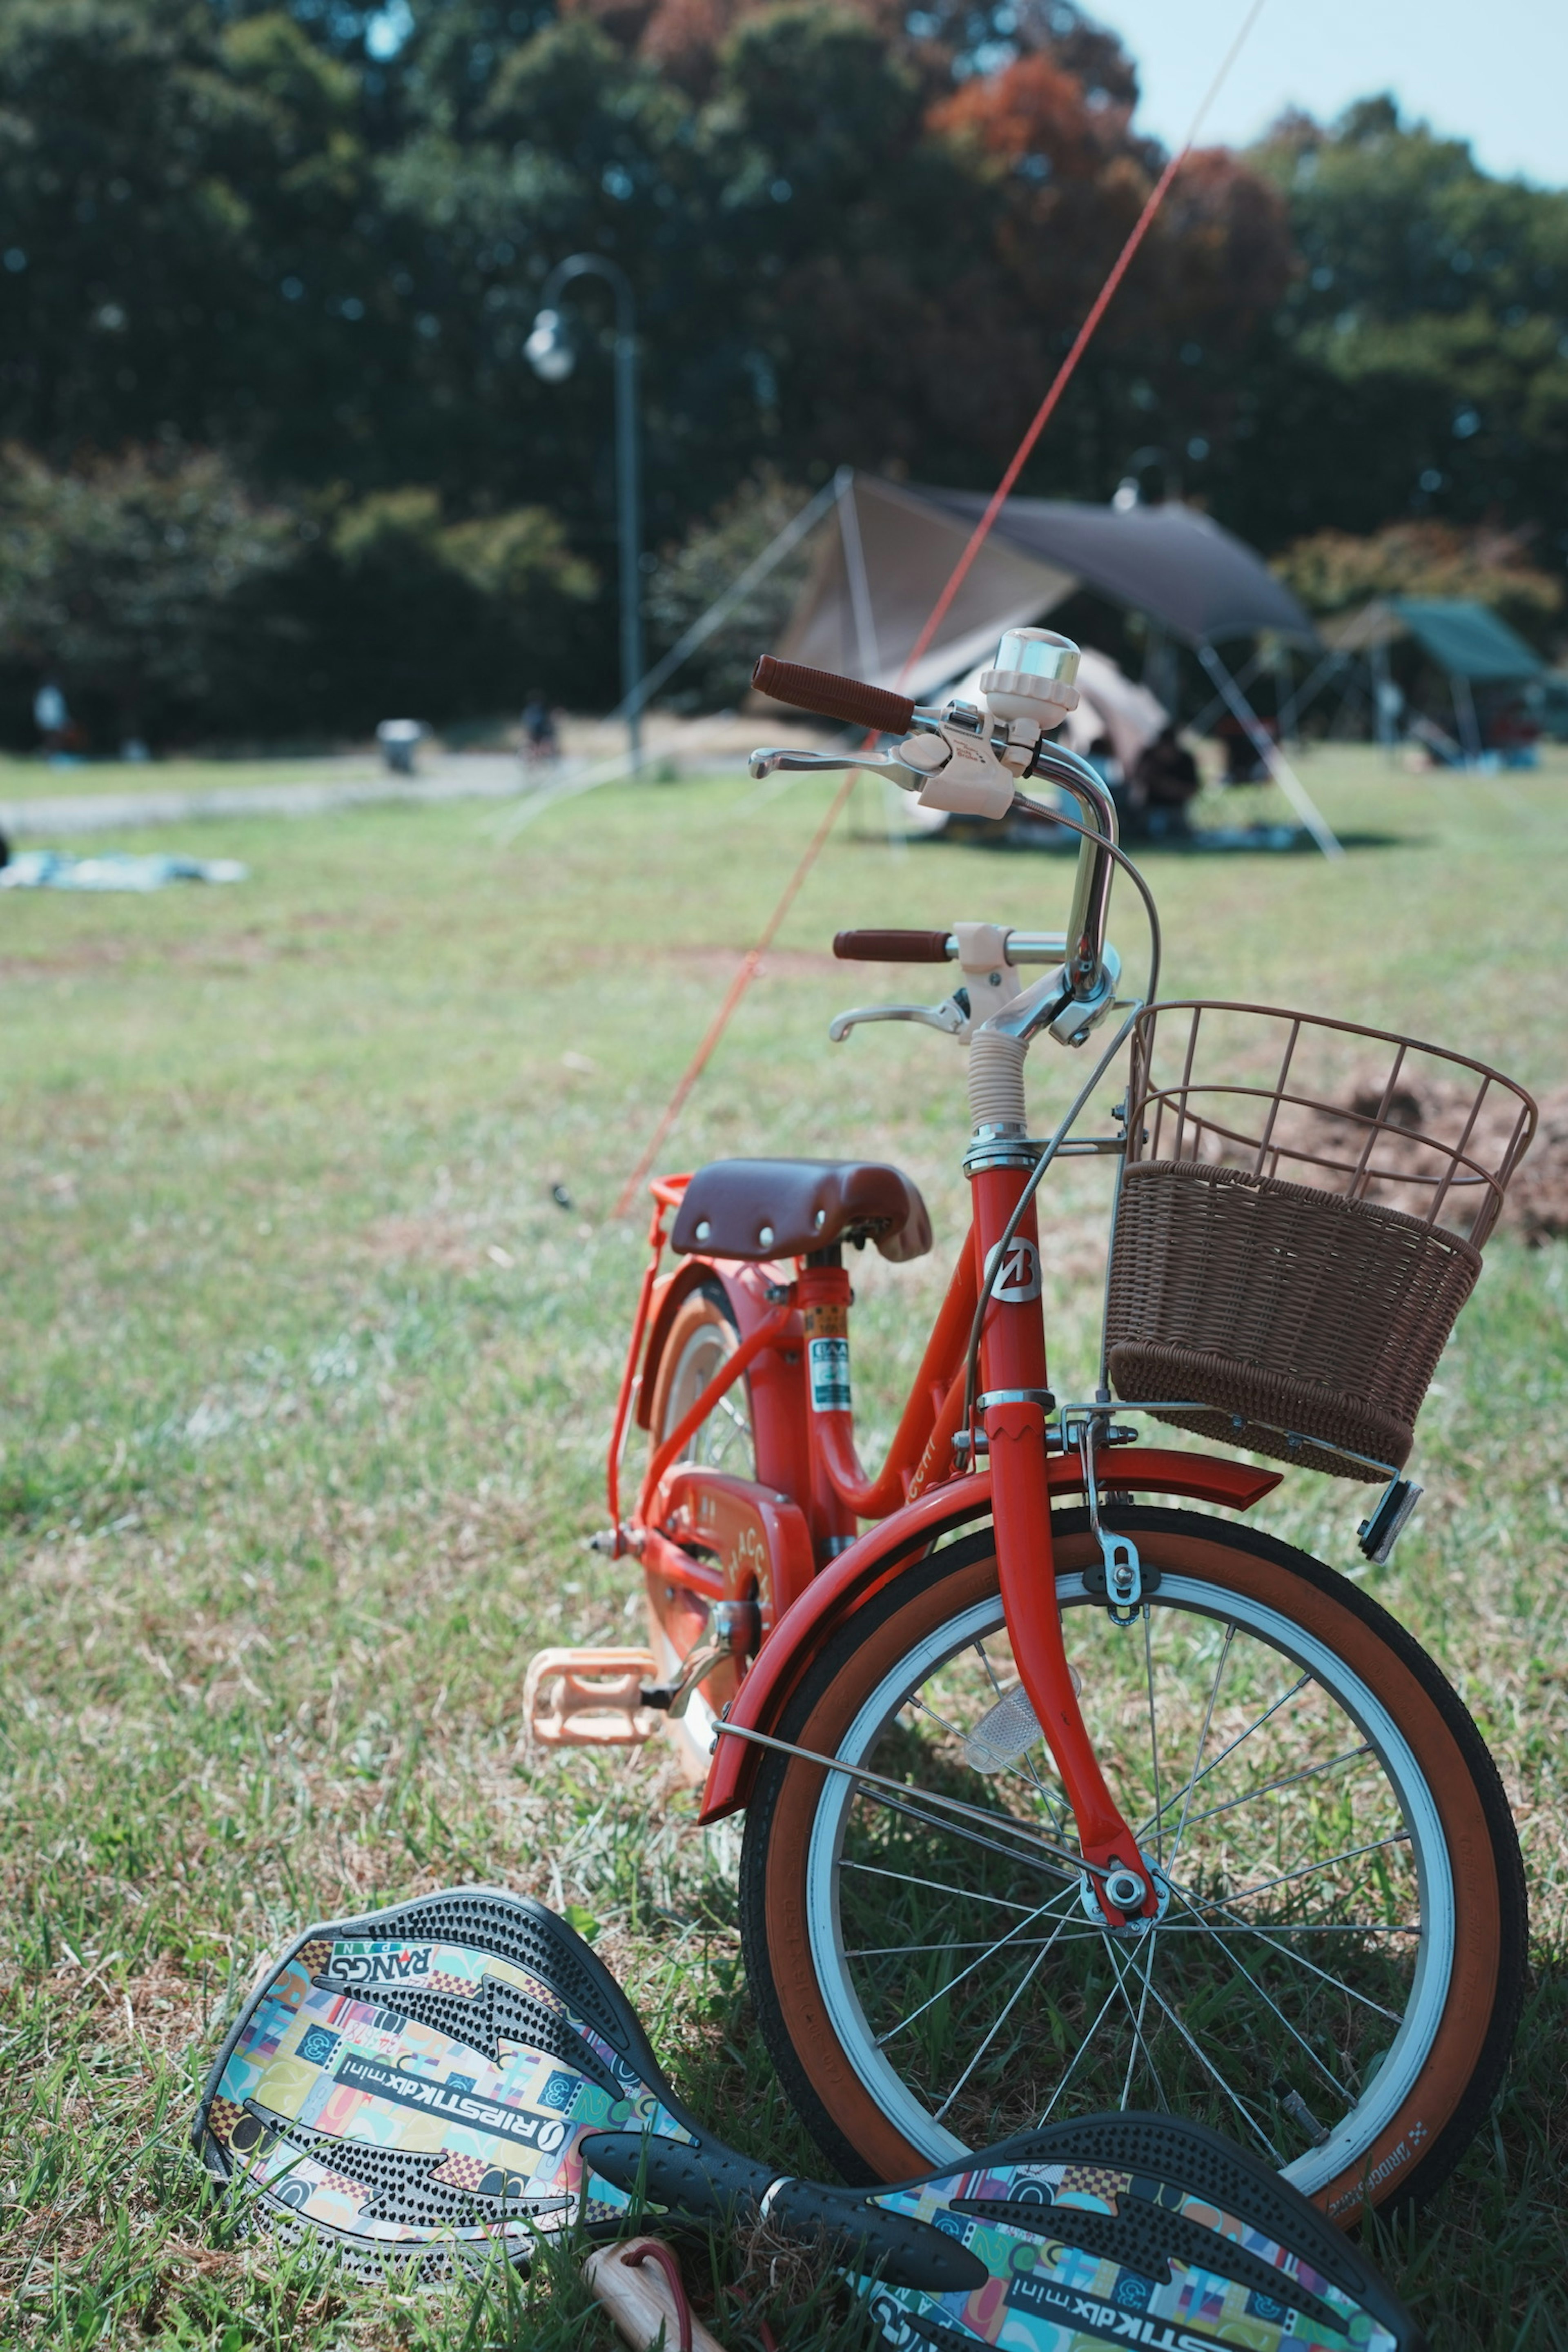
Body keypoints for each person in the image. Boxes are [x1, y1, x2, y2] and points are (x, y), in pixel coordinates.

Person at [1133, 725, 1202, 840]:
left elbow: (1193, 789)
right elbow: (1137, 778)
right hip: (1151, 807)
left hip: (1177, 808)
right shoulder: (1149, 757)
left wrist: (1174, 788)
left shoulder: (1186, 761)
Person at [521, 689, 559, 765]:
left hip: (537, 733)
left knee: (536, 748)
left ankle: (537, 761)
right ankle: (538, 760)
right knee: (538, 748)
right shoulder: (540, 710)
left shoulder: (530, 710)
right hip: (539, 732)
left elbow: (528, 723)